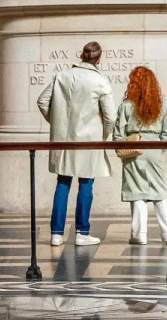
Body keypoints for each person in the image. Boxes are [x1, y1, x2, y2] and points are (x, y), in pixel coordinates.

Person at [37, 40, 118, 246]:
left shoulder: (61, 76)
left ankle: (56, 233)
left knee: (63, 183)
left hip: (64, 139)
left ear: (80, 55)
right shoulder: (100, 81)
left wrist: (57, 124)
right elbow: (110, 116)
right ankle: (82, 232)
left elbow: (42, 101)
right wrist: (104, 136)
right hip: (89, 140)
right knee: (86, 184)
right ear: (99, 59)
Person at [115, 65, 167, 245]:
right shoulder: (161, 107)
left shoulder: (126, 106)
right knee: (159, 192)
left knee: (137, 192)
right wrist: (157, 151)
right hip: (154, 150)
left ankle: (139, 234)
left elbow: (117, 134)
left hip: (134, 150)